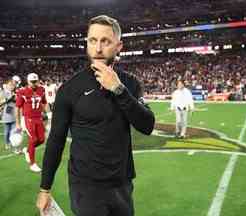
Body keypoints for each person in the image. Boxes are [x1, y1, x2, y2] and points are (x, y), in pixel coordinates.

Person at [36, 15, 155, 216]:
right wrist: (44, 189)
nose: (98, 49)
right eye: (93, 40)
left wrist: (118, 89)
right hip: (86, 187)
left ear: (119, 46)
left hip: (122, 184)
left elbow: (147, 125)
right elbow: (56, 140)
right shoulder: (70, 89)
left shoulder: (130, 83)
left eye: (105, 41)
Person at [15, 73, 48, 172]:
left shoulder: (41, 89)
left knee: (41, 139)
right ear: (28, 81)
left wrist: (47, 113)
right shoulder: (22, 92)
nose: (34, 84)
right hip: (28, 119)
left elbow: (44, 102)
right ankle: (32, 163)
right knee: (33, 139)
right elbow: (17, 107)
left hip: (38, 118)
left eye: (35, 81)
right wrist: (17, 122)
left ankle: (28, 150)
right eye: (32, 82)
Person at [0, 78, 17, 152]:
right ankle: (7, 143)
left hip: (14, 113)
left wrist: (15, 98)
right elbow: (1, 102)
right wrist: (9, 99)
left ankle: (13, 143)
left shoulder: (15, 92)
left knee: (13, 131)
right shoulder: (3, 92)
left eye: (13, 85)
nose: (12, 86)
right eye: (10, 85)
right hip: (6, 115)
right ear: (7, 85)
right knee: (7, 131)